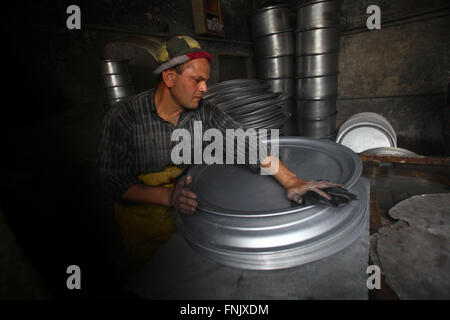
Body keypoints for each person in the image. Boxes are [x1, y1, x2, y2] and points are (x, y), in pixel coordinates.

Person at [98, 35, 341, 270]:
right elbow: (112, 180)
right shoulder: (124, 117)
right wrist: (167, 197)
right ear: (170, 77)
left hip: (189, 217)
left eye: (206, 80)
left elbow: (247, 146)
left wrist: (291, 180)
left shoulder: (205, 113)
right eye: (196, 80)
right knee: (152, 279)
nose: (204, 88)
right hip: (144, 227)